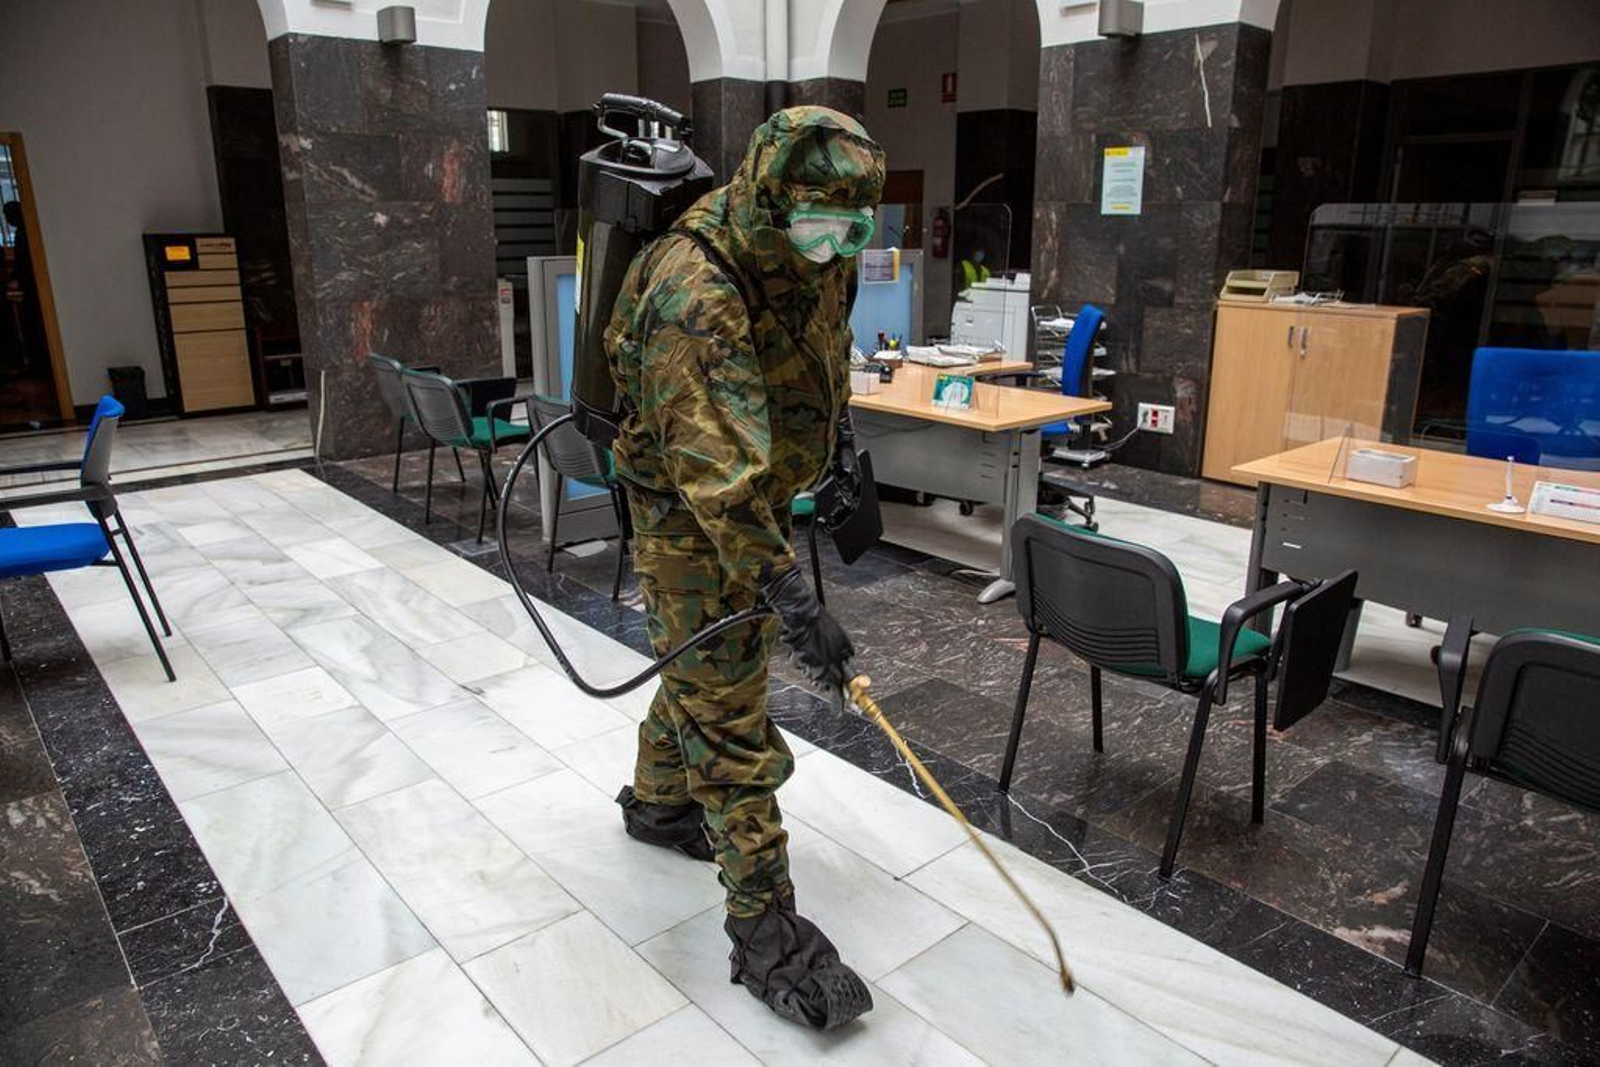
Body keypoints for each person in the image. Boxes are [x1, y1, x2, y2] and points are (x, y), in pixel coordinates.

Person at [603, 106, 884, 1030]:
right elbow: (718, 480)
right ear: (770, 194)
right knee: (728, 711)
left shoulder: (820, 253)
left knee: (696, 667)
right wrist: (797, 603)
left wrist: (843, 451)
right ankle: (766, 932)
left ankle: (656, 805)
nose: (835, 243)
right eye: (820, 221)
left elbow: (825, 360)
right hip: (687, 514)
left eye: (855, 226)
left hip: (758, 497)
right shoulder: (693, 287)